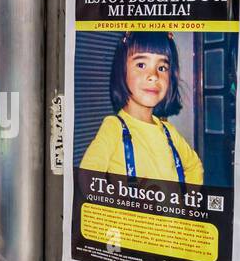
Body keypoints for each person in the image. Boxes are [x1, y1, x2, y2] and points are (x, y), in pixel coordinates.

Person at [79, 32, 203, 183]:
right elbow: (87, 179)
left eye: (162, 68)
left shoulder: (169, 131)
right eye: (141, 65)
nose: (154, 75)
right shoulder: (114, 127)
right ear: (122, 72)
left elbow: (194, 166)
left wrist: (186, 201)